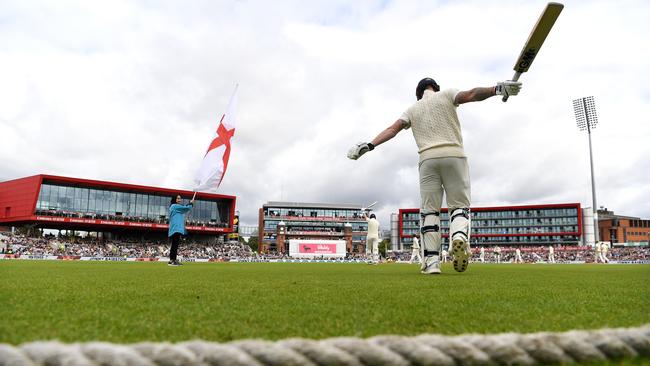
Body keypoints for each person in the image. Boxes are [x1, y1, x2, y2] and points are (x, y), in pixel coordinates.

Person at [348, 77, 521, 275]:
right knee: (459, 206)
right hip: (454, 154)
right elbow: (472, 94)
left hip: (427, 159)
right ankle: (459, 237)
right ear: (435, 88)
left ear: (418, 93)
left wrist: (370, 145)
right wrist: (497, 89)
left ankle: (432, 263)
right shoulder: (446, 94)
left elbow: (392, 130)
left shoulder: (412, 109)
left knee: (430, 212)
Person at [168, 194, 195, 266]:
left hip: (175, 228)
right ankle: (172, 260)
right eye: (178, 198)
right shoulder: (174, 206)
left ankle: (172, 260)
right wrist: (191, 203)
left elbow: (184, 209)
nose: (179, 200)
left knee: (174, 245)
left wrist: (189, 204)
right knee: (175, 245)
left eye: (180, 198)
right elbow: (186, 208)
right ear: (174, 199)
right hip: (176, 228)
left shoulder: (174, 207)